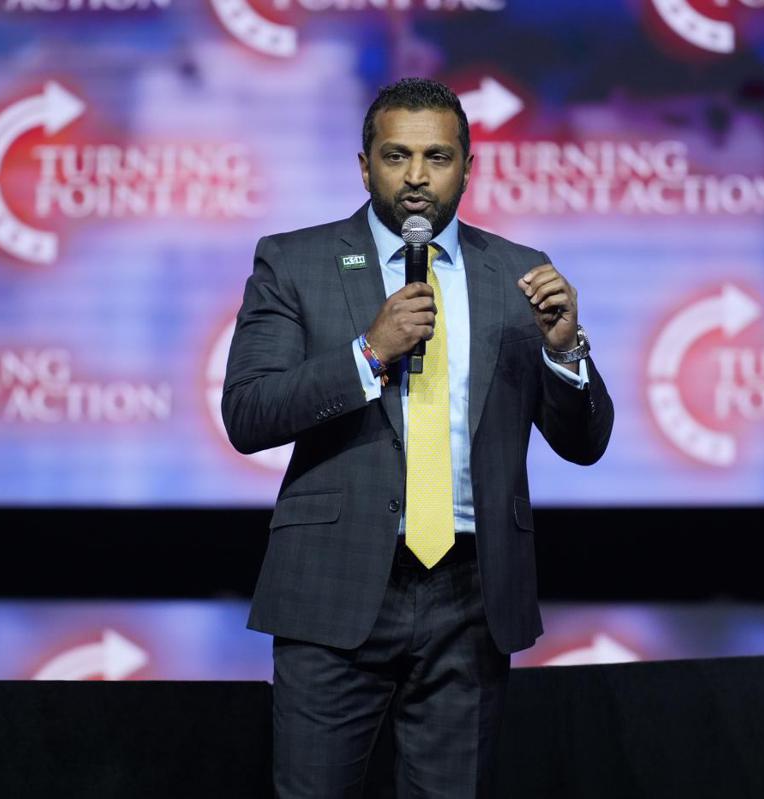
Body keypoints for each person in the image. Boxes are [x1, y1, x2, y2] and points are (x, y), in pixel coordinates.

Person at [222, 77, 615, 798]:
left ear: (467, 168)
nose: (415, 177)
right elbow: (248, 413)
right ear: (364, 165)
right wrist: (368, 353)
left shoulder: (519, 273)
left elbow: (584, 442)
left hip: (472, 591)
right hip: (334, 584)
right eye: (396, 155)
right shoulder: (294, 261)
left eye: (437, 157)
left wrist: (565, 350)